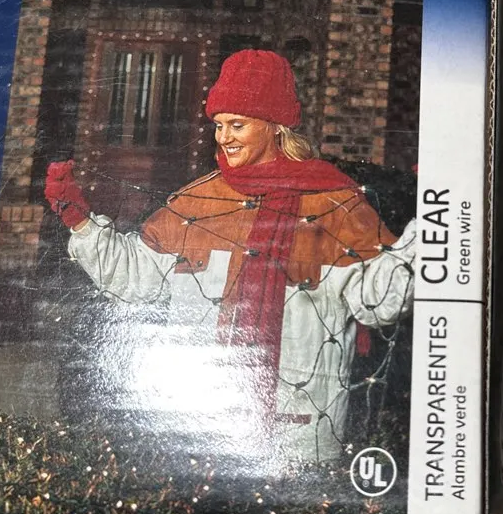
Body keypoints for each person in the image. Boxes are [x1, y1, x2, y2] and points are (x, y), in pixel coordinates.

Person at [44, 49, 416, 464]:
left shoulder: (333, 202)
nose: (224, 137)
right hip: (202, 423)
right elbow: (138, 277)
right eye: (219, 125)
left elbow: (379, 300)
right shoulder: (198, 200)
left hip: (302, 432)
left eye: (238, 125)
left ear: (275, 127)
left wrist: (430, 227)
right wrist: (81, 223)